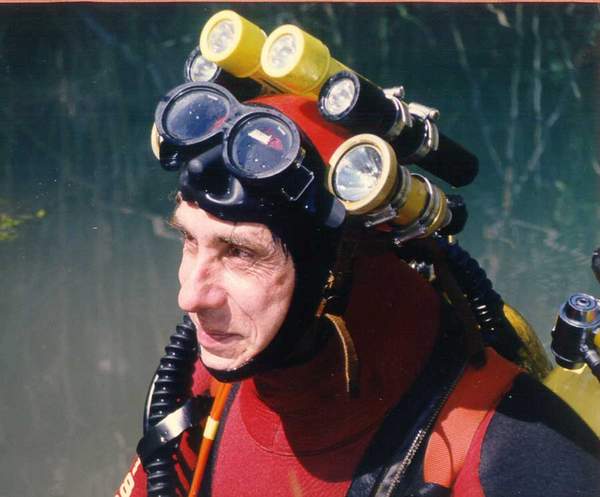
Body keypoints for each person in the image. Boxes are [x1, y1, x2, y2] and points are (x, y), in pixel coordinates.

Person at [116, 35, 600, 497]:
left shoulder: (519, 461)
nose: (190, 296)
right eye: (189, 240)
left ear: (339, 261)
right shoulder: (205, 382)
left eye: (240, 253)